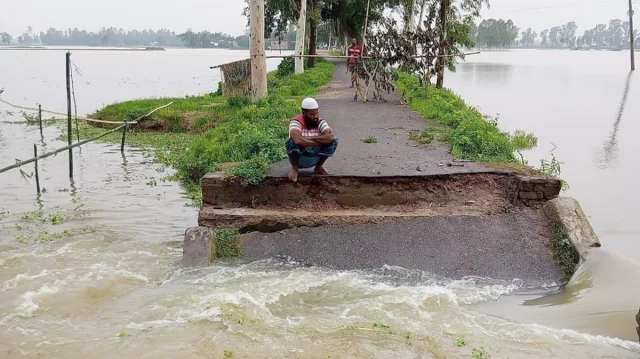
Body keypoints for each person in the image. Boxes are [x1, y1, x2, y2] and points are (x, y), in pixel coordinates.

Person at [286, 98, 338, 182]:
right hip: (300, 157)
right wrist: (320, 141)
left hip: (315, 155)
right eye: (312, 114)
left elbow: (331, 137)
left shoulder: (320, 121)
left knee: (334, 141)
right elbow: (298, 141)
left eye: (317, 113)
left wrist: (309, 139)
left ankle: (318, 167)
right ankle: (295, 169)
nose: (315, 116)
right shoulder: (296, 122)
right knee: (292, 141)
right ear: (304, 113)